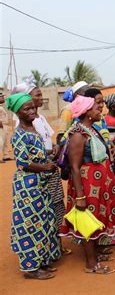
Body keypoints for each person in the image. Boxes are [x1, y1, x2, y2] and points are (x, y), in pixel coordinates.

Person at [60, 95, 115, 274]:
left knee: (97, 219)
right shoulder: (78, 134)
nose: (100, 109)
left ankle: (96, 254)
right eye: (96, 107)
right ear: (86, 112)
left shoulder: (91, 129)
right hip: (87, 185)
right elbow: (75, 167)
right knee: (88, 223)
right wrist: (81, 196)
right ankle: (91, 264)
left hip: (98, 184)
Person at [13, 81, 70, 255]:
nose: (40, 98)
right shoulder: (22, 126)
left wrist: (54, 148)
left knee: (56, 206)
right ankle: (50, 249)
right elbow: (26, 157)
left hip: (48, 168)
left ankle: (55, 247)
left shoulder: (40, 118)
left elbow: (46, 140)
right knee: (47, 209)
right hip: (41, 171)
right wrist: (47, 160)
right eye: (36, 95)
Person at [8, 93, 60, 280]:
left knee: (44, 221)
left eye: (33, 107)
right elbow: (23, 162)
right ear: (18, 113)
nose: (32, 111)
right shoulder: (19, 134)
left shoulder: (33, 129)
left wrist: (50, 151)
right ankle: (30, 268)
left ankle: (41, 261)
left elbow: (35, 153)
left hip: (40, 184)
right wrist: (45, 166)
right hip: (28, 185)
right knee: (30, 224)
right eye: (26, 109)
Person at [0, 91, 11, 162]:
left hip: (5, 125)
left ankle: (6, 156)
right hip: (1, 125)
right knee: (0, 141)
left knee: (5, 141)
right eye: (2, 97)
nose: (3, 98)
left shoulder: (1, 107)